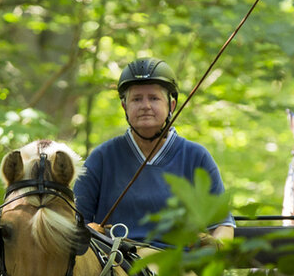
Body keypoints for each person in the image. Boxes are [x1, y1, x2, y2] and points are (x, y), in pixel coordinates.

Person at [74, 58, 234, 246]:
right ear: (125, 107)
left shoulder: (196, 157)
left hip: (176, 266)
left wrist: (216, 248)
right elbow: (75, 222)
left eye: (154, 98)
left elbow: (222, 225)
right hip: (114, 263)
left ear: (171, 106)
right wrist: (87, 231)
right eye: (136, 99)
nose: (145, 106)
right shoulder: (102, 157)